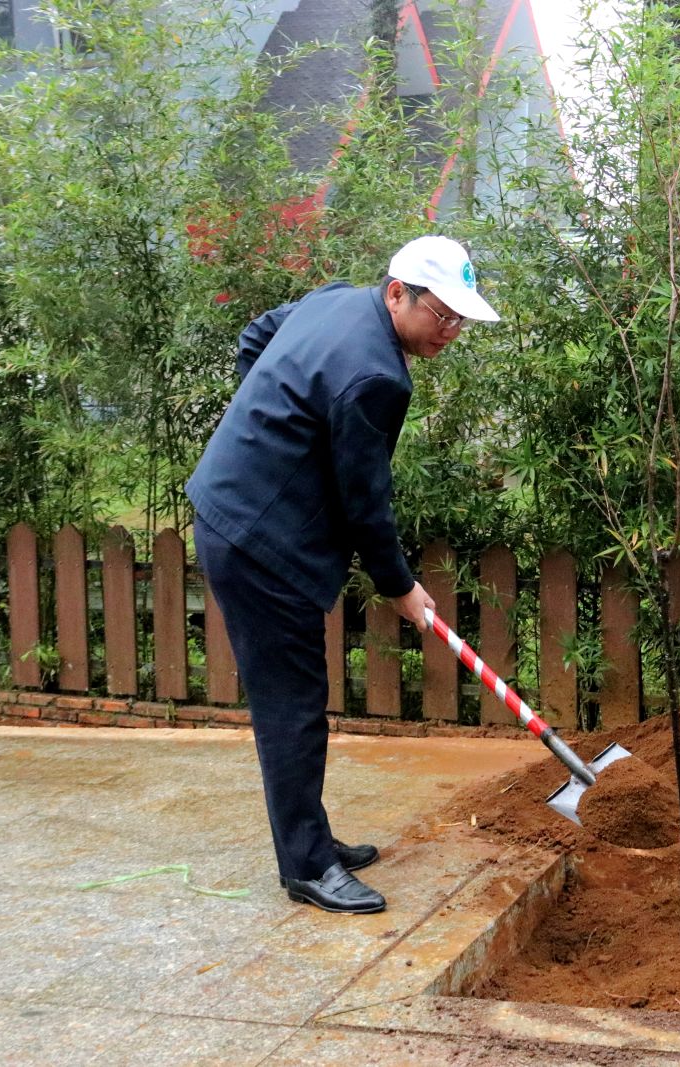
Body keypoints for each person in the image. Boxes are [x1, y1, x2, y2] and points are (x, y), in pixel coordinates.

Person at [186, 235, 499, 912]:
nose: (450, 330)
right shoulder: (376, 376)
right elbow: (364, 501)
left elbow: (255, 336)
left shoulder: (335, 301)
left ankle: (313, 839)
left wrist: (267, 428)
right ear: (398, 292)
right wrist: (400, 586)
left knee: (298, 699)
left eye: (460, 319)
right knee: (293, 706)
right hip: (257, 542)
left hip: (232, 510)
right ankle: (306, 866)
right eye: (441, 314)